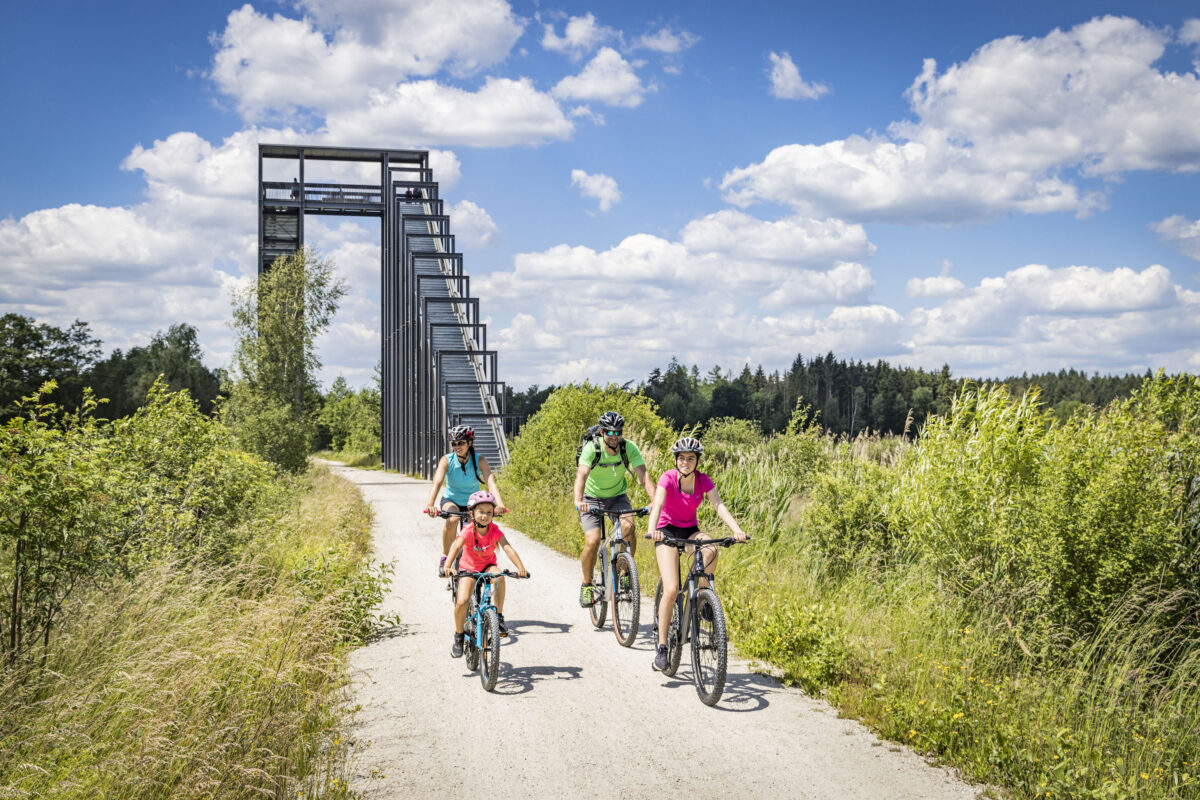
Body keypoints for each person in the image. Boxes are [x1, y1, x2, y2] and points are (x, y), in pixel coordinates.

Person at [646, 436, 748, 672]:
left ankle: (701, 595)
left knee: (711, 548)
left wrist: (737, 530)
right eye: (681, 458)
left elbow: (718, 505)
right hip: (666, 532)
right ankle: (662, 647)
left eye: (690, 458)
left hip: (690, 530)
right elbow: (658, 504)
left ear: (696, 461)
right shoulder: (668, 478)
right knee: (671, 588)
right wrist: (653, 531)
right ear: (675, 460)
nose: (685, 462)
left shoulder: (703, 481)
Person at [573, 411, 657, 608]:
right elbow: (581, 475)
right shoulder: (592, 449)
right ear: (602, 432)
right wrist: (578, 500)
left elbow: (643, 475)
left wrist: (655, 502)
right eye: (609, 433)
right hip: (590, 499)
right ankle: (586, 585)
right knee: (592, 540)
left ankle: (625, 572)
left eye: (618, 432)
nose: (614, 436)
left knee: (629, 528)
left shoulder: (629, 448)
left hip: (617, 497)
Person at [444, 490, 528, 655]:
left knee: (499, 576)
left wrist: (520, 567)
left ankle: (498, 616)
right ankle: (459, 635)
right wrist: (447, 566)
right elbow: (455, 547)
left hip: (487, 566)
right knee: (461, 601)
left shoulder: (494, 530)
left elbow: (507, 547)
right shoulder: (468, 530)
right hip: (468, 569)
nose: (485, 516)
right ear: (472, 513)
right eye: (481, 512)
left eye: (489, 512)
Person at [425, 425, 506, 575]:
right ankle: (445, 556)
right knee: (453, 519)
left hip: (472, 503)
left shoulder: (479, 460)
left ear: (469, 443)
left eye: (461, 442)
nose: (457, 446)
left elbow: (490, 482)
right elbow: (437, 482)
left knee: (477, 528)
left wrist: (499, 503)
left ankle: (474, 562)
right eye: (454, 443)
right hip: (451, 500)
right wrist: (431, 504)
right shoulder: (447, 460)